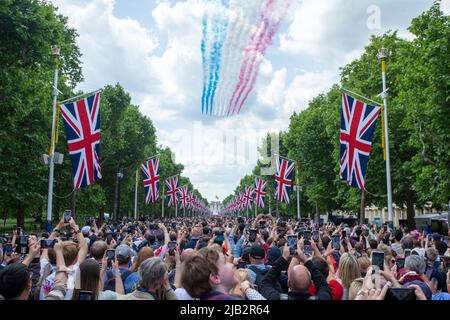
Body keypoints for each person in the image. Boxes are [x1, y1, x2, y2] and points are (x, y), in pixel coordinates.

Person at [259, 243, 332, 300]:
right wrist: (305, 260)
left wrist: (283, 258)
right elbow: (323, 285)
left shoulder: (276, 298)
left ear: (289, 283)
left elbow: (265, 283)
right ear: (311, 284)